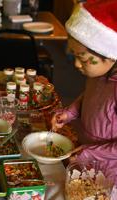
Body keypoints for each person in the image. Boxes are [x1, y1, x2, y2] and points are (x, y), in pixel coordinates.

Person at [51, 0, 117, 194]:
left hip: (110, 172)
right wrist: (69, 113)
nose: (77, 65)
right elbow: (89, 97)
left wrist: (89, 152)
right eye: (74, 56)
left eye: (83, 58)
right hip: (87, 157)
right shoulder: (98, 74)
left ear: (110, 54)